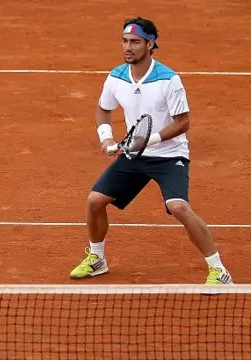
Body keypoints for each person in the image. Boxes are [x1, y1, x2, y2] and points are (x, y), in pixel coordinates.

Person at [69, 17, 233, 285]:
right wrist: (106, 137)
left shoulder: (168, 79)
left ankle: (219, 270)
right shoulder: (116, 77)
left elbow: (183, 123)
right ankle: (97, 259)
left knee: (178, 207)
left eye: (135, 42)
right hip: (136, 155)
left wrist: (149, 141)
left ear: (150, 44)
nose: (128, 47)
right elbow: (103, 108)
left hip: (169, 155)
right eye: (125, 41)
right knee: (95, 201)